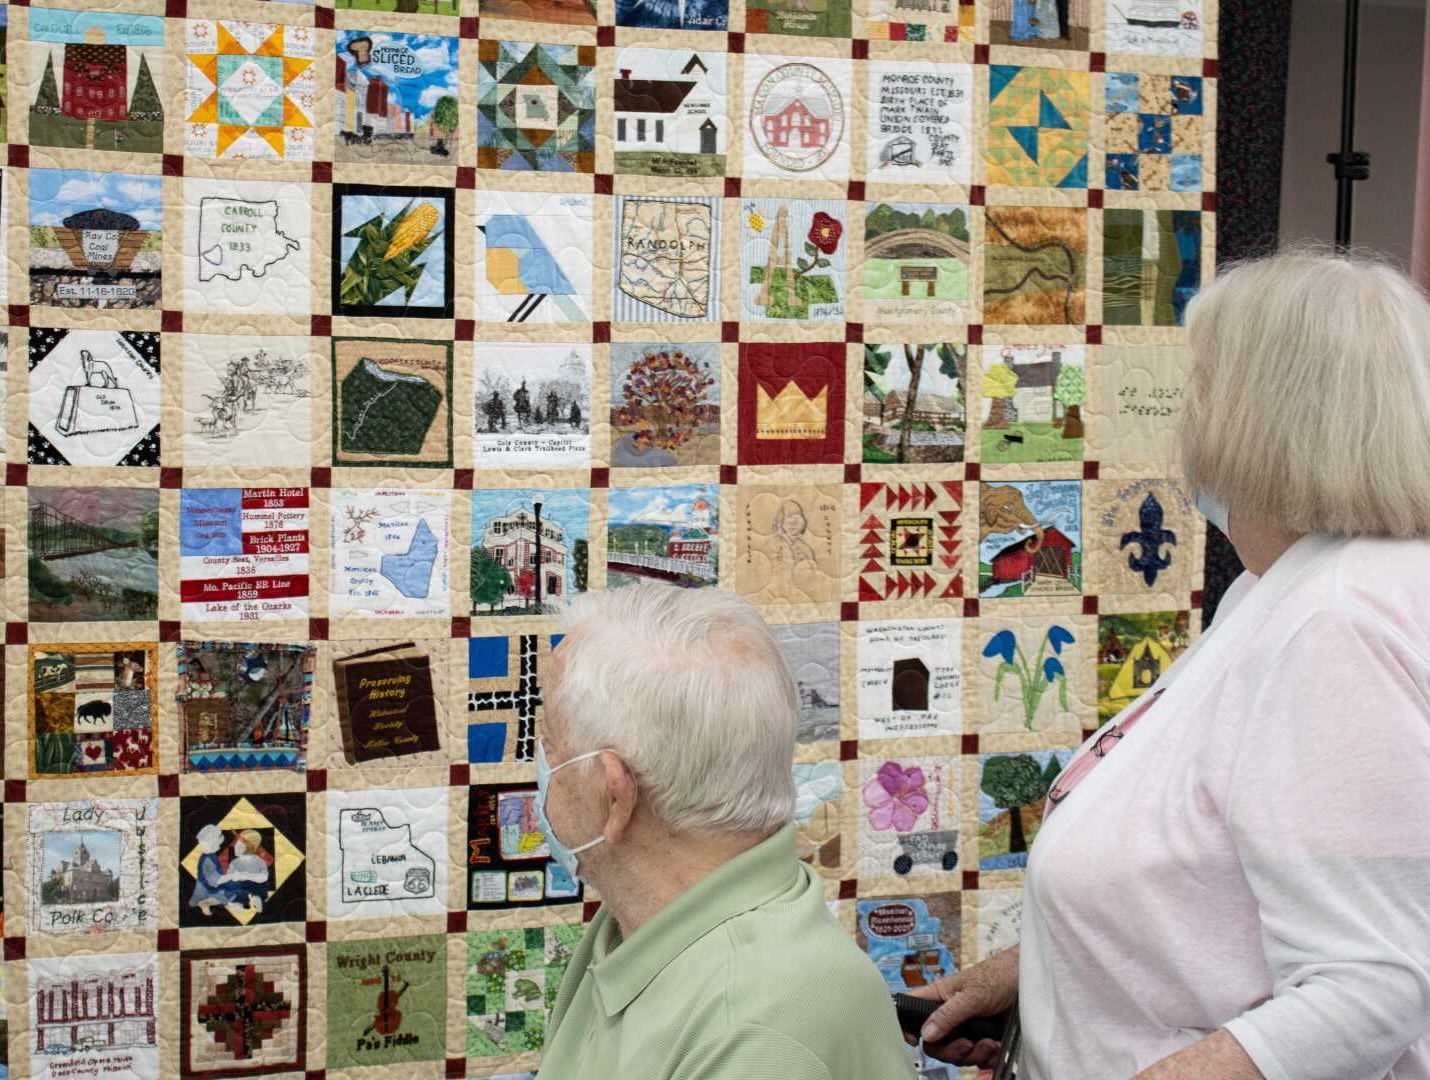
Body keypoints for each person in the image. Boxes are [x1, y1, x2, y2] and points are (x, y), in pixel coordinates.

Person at [912, 251, 1430, 1078]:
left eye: (1200, 385)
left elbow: (1372, 985)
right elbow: (1217, 882)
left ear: (1261, 416)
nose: (1184, 416)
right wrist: (1038, 978)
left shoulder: (1337, 624)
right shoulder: (1280, 591)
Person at [537, 585, 915, 1079]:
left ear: (614, 796)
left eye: (548, 741)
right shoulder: (646, 922)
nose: (540, 765)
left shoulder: (757, 1036)